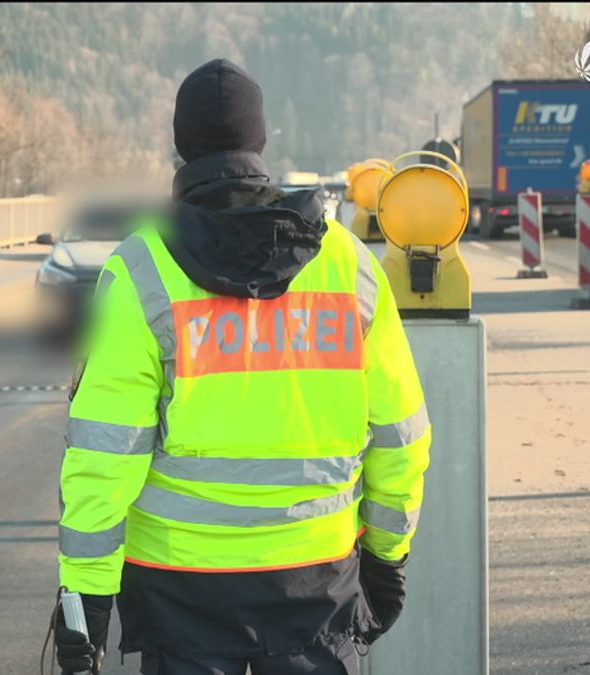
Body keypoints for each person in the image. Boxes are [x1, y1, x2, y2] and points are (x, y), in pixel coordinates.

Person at [52, 59, 431, 675]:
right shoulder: (347, 265)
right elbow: (400, 435)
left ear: (180, 147)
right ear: (259, 142)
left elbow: (103, 456)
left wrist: (86, 597)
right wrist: (387, 556)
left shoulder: (142, 269)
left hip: (182, 593)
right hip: (316, 585)